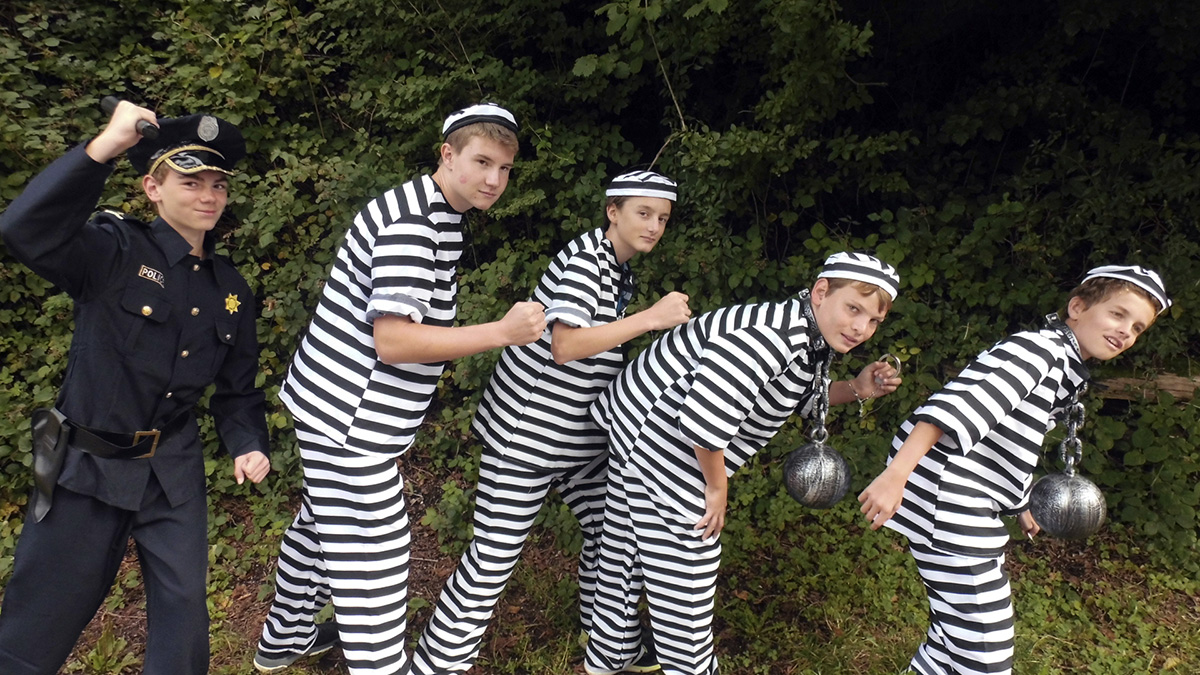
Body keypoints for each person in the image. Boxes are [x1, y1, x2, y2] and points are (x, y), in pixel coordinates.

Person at [254, 103, 546, 675]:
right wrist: (502, 332)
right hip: (349, 420)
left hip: (338, 408)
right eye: (482, 162)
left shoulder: (437, 212)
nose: (494, 179)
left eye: (505, 168)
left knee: (322, 526)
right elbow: (393, 341)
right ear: (448, 155)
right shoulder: (414, 225)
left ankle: (283, 639)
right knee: (376, 557)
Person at [0, 100, 272, 675]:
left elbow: (237, 391)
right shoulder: (112, 250)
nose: (209, 195)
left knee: (183, 617)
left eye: (219, 184)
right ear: (153, 187)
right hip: (84, 464)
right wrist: (107, 144)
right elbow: (24, 230)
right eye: (191, 181)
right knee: (41, 617)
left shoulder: (231, 290)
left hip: (171, 470)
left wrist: (247, 443)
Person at [412, 171, 691, 674]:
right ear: (613, 212)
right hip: (527, 436)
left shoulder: (617, 267)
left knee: (614, 533)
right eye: (643, 213)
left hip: (578, 438)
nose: (654, 226)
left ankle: (609, 640)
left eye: (663, 218)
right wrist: (651, 318)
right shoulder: (587, 261)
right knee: (494, 556)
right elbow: (565, 345)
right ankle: (434, 665)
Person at [583, 252, 904, 675]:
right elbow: (702, 423)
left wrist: (857, 388)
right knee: (688, 564)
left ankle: (611, 653)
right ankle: (689, 664)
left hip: (641, 423)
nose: (861, 328)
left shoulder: (806, 331)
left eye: (874, 320)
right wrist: (716, 489)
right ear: (821, 292)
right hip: (658, 437)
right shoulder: (769, 338)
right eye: (854, 309)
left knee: (627, 543)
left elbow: (801, 395)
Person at [857, 265, 1170, 675]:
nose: (1125, 331)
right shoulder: (1037, 352)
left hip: (960, 500)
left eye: (1137, 327)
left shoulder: (1061, 362)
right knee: (986, 647)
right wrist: (895, 475)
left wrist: (1020, 502)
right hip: (947, 501)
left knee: (954, 634)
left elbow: (1009, 442)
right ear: (1077, 307)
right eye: (1117, 314)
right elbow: (955, 409)